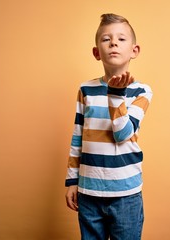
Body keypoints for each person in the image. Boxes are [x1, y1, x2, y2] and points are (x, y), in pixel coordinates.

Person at [65, 13, 153, 240]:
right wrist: (73, 181)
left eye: (121, 39)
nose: (113, 42)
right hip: (89, 191)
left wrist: (115, 95)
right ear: (96, 52)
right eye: (106, 39)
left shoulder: (141, 91)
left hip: (126, 194)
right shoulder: (86, 89)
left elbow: (122, 133)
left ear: (134, 50)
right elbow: (78, 137)